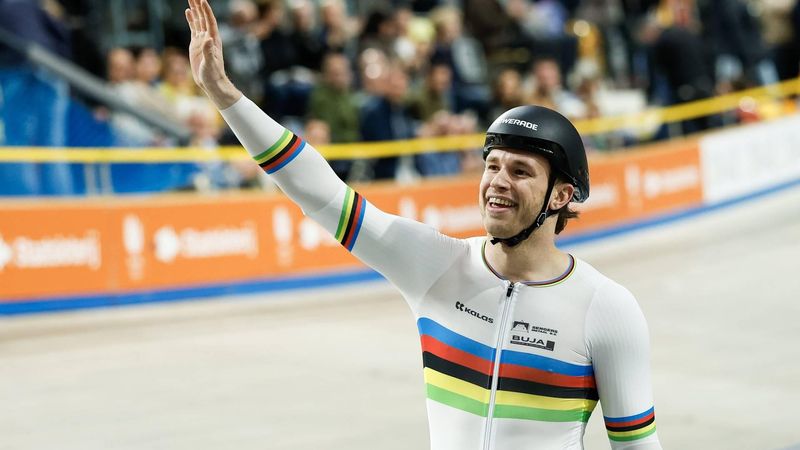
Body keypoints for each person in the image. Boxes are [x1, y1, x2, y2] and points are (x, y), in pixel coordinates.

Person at [184, 1, 663, 448]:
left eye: (520, 171)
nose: (497, 181)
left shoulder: (607, 309)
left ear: (561, 195)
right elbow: (323, 194)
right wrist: (225, 96)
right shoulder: (435, 265)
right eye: (492, 165)